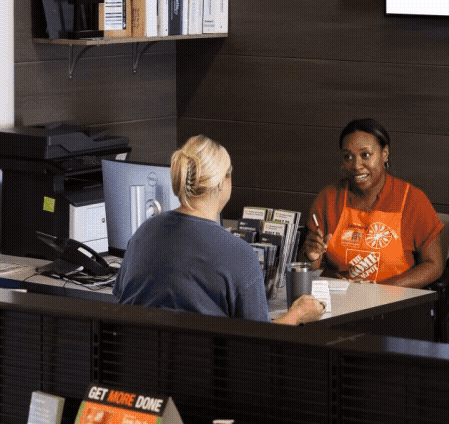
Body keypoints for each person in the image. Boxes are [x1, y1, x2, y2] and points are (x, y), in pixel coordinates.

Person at [115, 135, 323, 325]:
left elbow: (122, 298)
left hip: (135, 352)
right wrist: (297, 315)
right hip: (202, 355)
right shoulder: (240, 255)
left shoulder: (143, 232)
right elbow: (258, 340)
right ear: (223, 182)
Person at [303, 119, 444, 288]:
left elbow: (434, 265)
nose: (356, 165)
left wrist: (384, 291)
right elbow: (308, 267)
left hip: (393, 298)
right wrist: (311, 256)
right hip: (337, 298)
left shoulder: (413, 200)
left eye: (365, 155)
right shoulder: (328, 198)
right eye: (348, 157)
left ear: (385, 154)